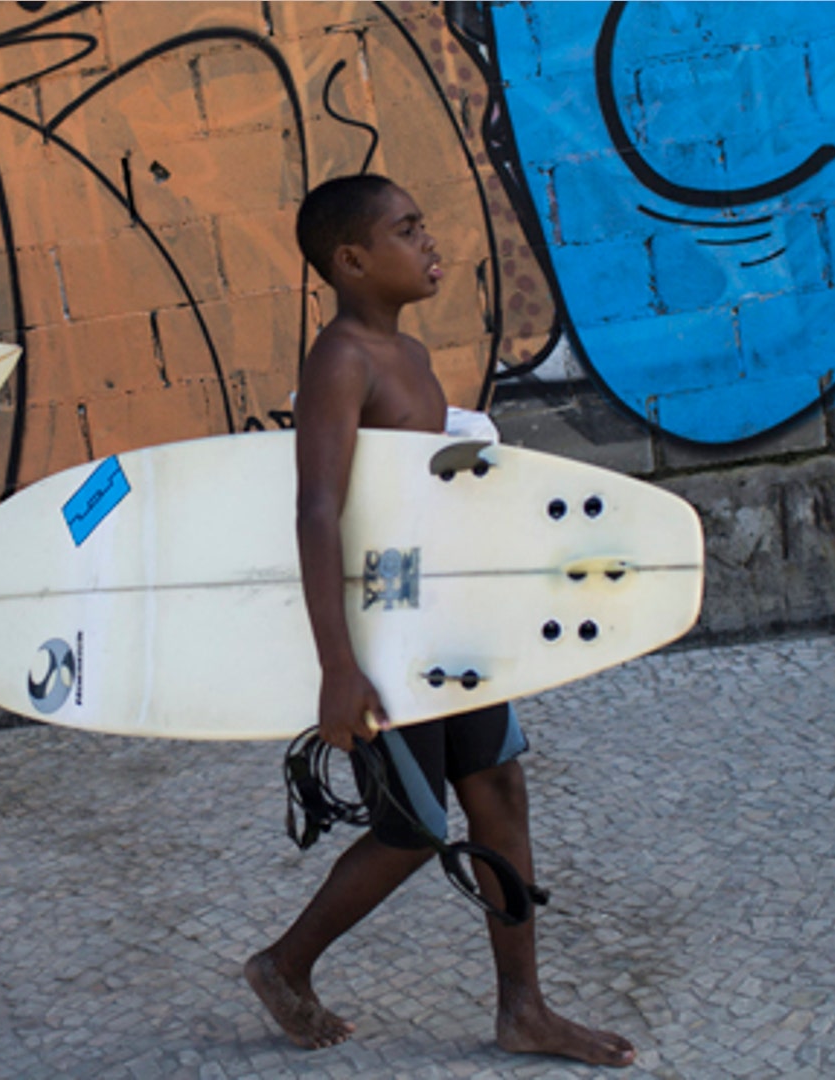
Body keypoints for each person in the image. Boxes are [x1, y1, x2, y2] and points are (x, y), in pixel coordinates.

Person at [242, 176, 635, 1066]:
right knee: (413, 826)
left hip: (446, 615)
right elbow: (316, 510)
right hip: (388, 634)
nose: (431, 242)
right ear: (351, 260)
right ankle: (284, 963)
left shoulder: (407, 352)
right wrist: (337, 667)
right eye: (407, 230)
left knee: (499, 791)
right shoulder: (343, 359)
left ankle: (524, 1009)